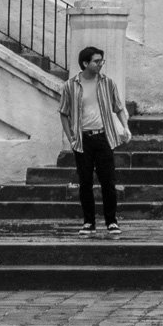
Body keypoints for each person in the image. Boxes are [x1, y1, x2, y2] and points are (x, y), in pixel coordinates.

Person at [59, 44, 131, 235]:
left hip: (104, 136)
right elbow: (64, 113)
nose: (100, 64)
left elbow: (119, 107)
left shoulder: (107, 83)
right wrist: (70, 137)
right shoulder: (70, 86)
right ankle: (89, 222)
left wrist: (125, 127)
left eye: (101, 61)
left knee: (108, 180)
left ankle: (111, 221)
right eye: (96, 61)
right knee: (85, 182)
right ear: (85, 63)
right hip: (83, 139)